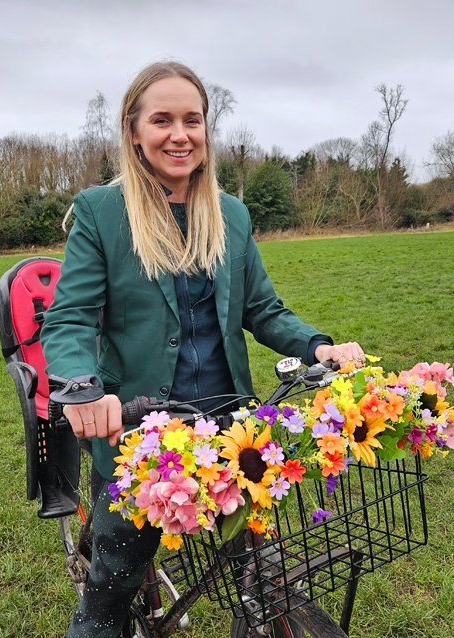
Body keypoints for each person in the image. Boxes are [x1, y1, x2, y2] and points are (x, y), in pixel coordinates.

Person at [41, 60, 364, 637]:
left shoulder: (232, 215)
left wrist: (318, 347)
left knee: (261, 575)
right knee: (106, 603)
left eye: (193, 120)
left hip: (231, 426)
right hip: (139, 435)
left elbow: (261, 309)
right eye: (162, 119)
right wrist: (83, 390)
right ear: (133, 130)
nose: (179, 134)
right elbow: (68, 319)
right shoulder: (101, 212)